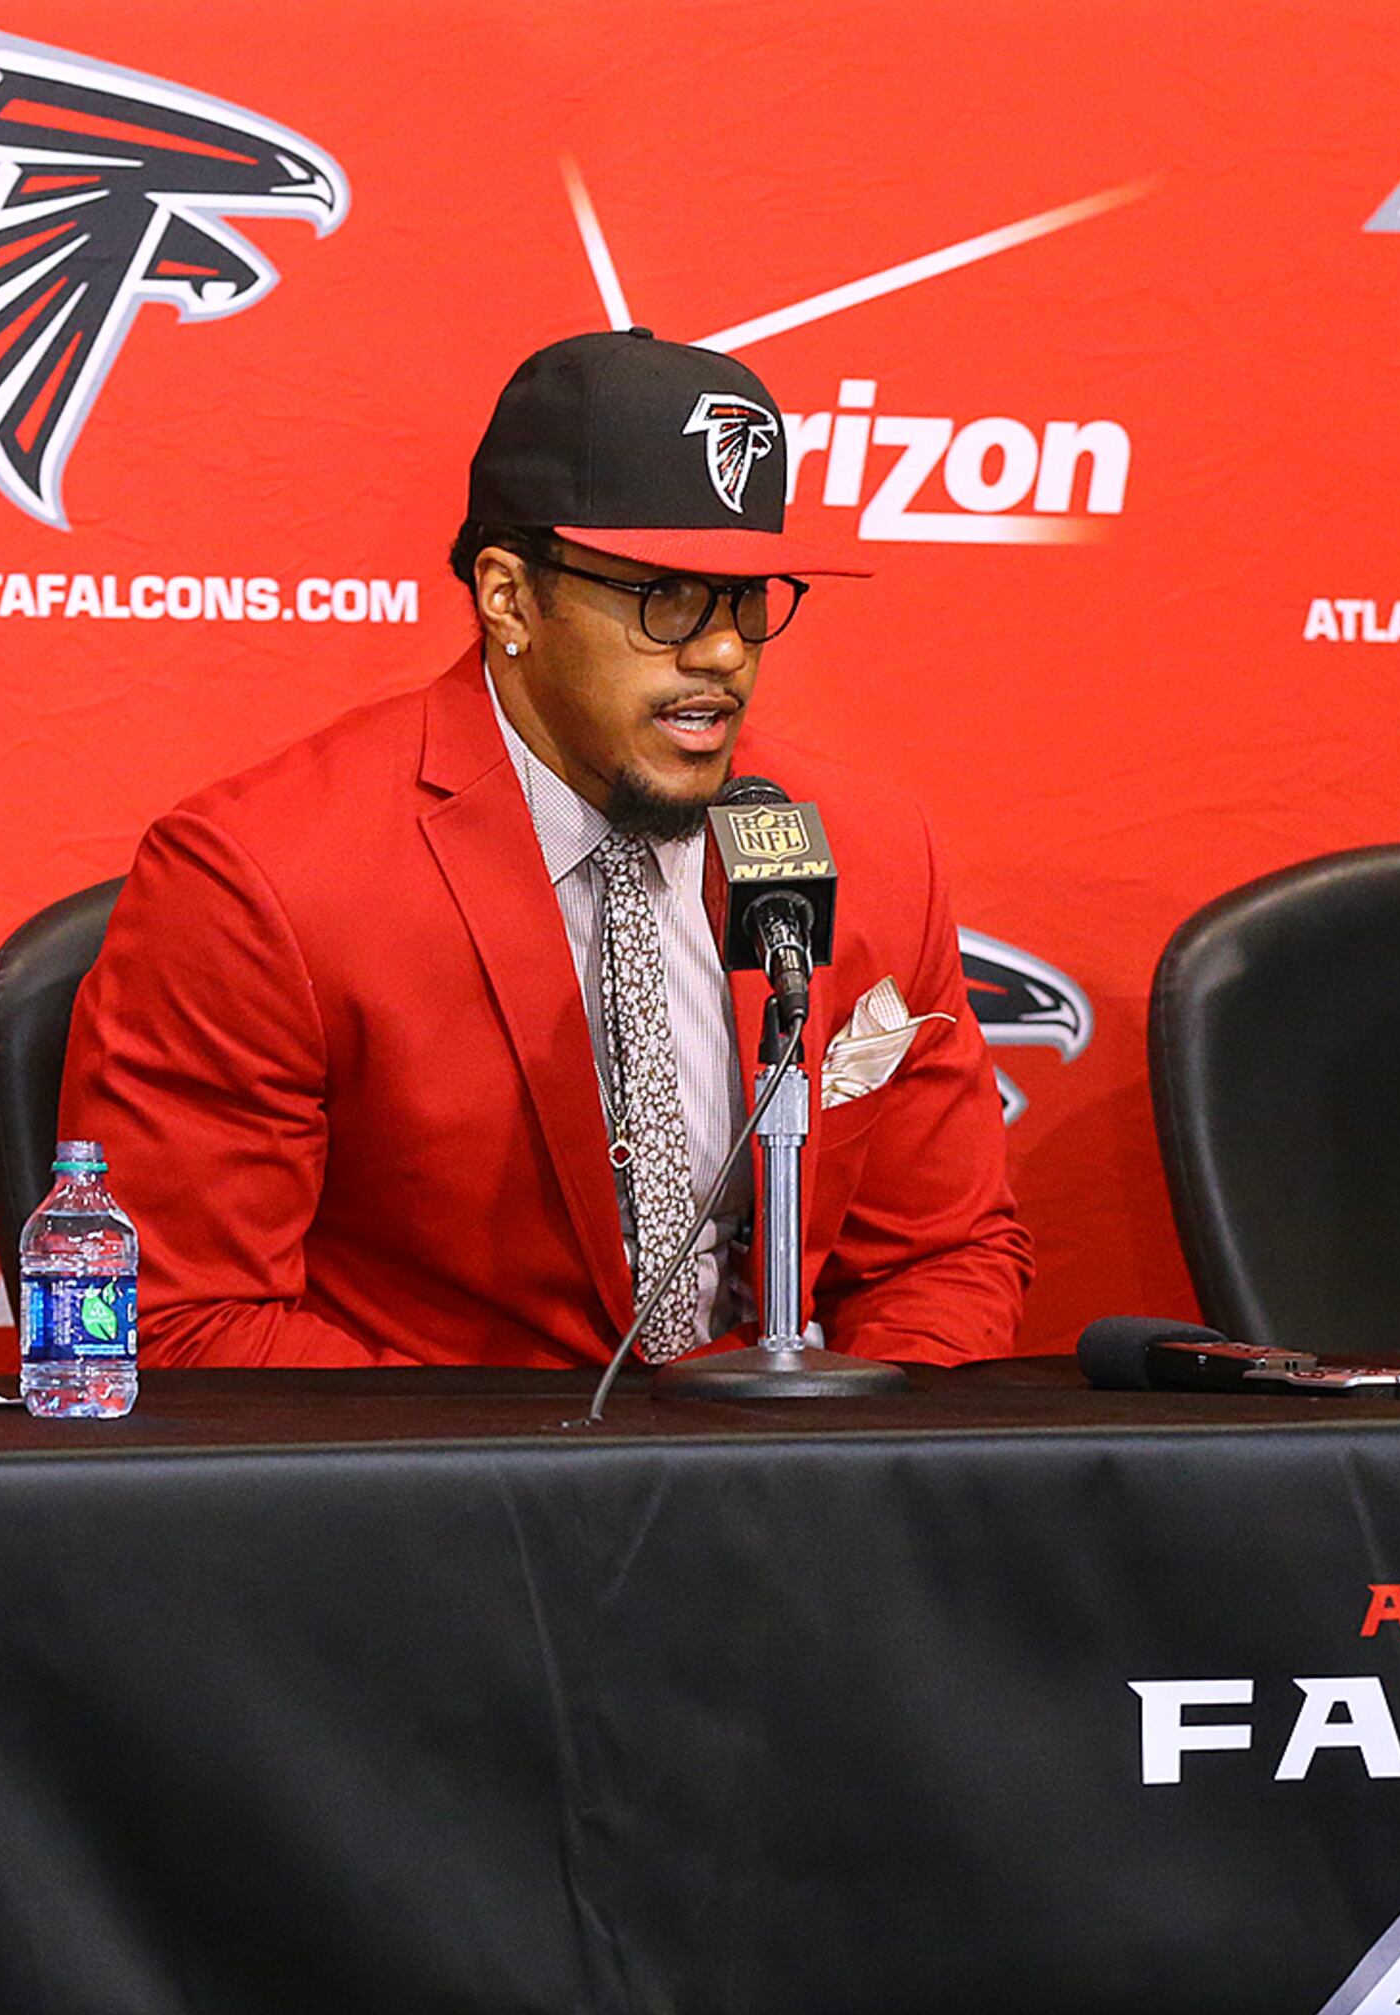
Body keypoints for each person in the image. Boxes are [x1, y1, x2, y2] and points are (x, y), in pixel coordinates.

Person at [59, 329, 1029, 1368]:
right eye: (663, 597)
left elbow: (944, 1257)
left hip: (771, 1501)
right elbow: (178, 1320)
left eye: (749, 599)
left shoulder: (863, 847)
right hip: (435, 1505)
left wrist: (851, 1477)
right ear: (509, 597)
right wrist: (544, 1487)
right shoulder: (263, 878)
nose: (723, 650)